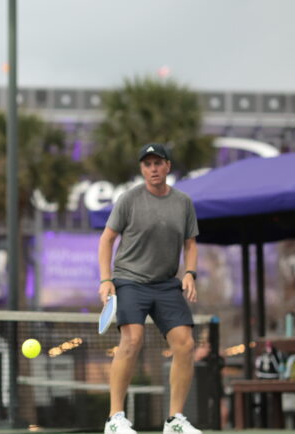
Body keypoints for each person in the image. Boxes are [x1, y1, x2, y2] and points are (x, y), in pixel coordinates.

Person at [98, 143, 201, 434]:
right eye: (147, 164)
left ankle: (175, 421)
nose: (153, 169)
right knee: (132, 340)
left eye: (158, 163)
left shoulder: (183, 202)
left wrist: (190, 273)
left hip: (167, 283)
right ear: (142, 169)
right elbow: (106, 240)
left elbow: (190, 243)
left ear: (168, 166)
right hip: (129, 280)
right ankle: (115, 419)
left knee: (186, 344)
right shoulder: (129, 199)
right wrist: (106, 279)